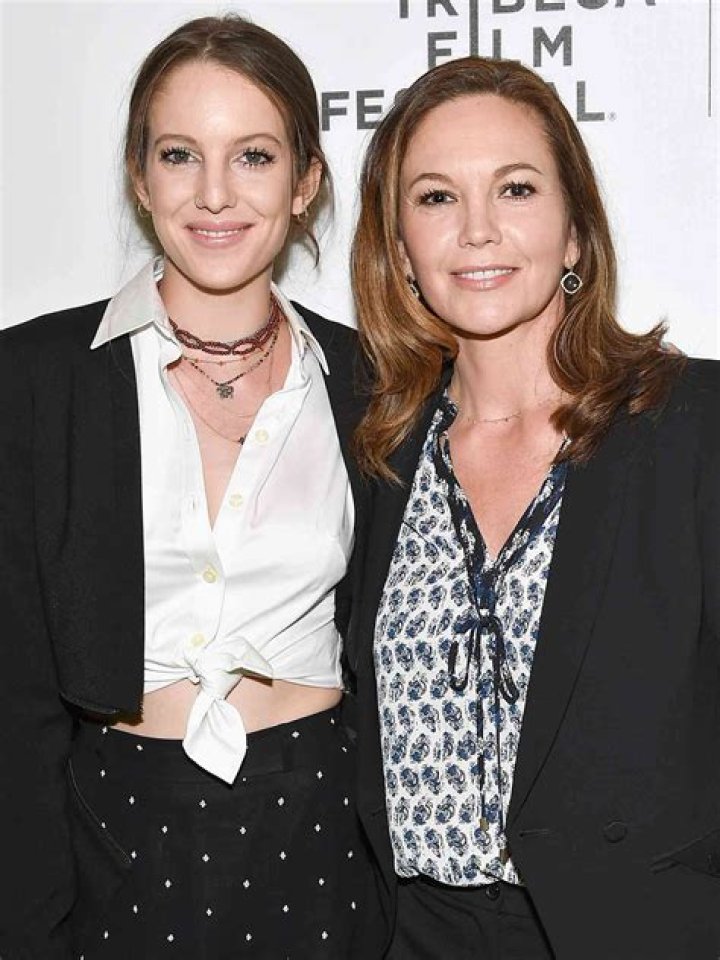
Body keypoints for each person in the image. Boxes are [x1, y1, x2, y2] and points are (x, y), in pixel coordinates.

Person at [0, 15, 371, 958]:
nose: (214, 193)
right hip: (114, 834)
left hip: (326, 836)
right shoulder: (35, 379)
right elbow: (16, 705)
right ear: (140, 177)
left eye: (254, 156)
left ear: (305, 182)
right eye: (179, 155)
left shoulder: (373, 381)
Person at [348, 56, 720, 959]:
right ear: (401, 250)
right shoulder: (375, 456)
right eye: (436, 198)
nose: (478, 229)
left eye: (515, 188)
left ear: (575, 233)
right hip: (413, 934)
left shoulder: (692, 427)